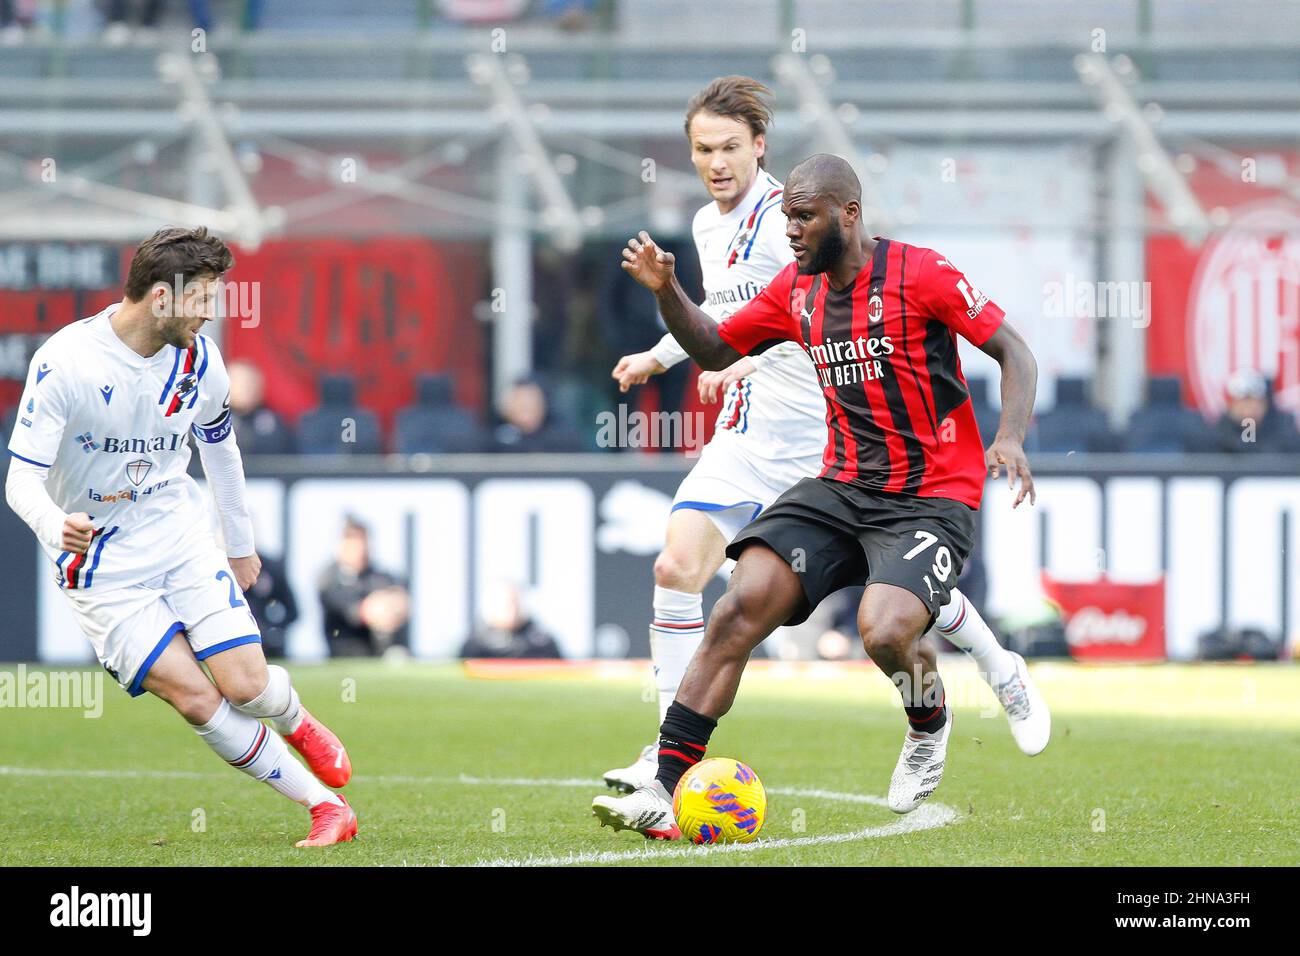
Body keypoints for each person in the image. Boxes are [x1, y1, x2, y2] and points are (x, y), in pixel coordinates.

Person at [601, 77, 1048, 798]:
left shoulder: (922, 273)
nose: (793, 235)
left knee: (883, 628)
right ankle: (664, 781)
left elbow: (1015, 352)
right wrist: (664, 293)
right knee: (738, 605)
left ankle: (930, 724)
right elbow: (716, 347)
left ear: (849, 214)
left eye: (805, 222)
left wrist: (1012, 437)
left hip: (931, 494)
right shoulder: (796, 289)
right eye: (787, 224)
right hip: (837, 482)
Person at [5, 227, 357, 847]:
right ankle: (326, 807)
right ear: (161, 298)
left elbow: (221, 453)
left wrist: (239, 543)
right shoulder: (66, 362)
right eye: (202, 299)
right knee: (197, 699)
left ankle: (297, 719)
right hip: (101, 567)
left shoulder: (199, 360)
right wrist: (51, 523)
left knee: (246, 685)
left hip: (179, 537)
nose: (211, 313)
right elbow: (21, 481)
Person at [317, 515, 411, 657]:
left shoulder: (382, 577)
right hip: (344, 655)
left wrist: (394, 608)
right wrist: (376, 609)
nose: (359, 548)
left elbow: (401, 602)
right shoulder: (328, 579)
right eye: (352, 541)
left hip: (382, 656)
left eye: (362, 540)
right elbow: (356, 612)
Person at [459, 581, 563, 659]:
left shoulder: (542, 641)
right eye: (506, 604)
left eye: (515, 602)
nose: (511, 609)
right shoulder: (477, 643)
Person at [1209, 369, 1300, 454]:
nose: (1252, 406)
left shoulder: (1282, 430)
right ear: (1231, 404)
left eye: (1258, 400)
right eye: (1246, 399)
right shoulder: (1216, 435)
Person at [489, 375, 585, 453]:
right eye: (518, 400)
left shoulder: (563, 439)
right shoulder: (493, 438)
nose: (524, 406)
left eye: (530, 400)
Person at [227, 359, 295, 455]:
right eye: (238, 382)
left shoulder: (273, 422)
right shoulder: (212, 421)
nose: (245, 387)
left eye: (250, 383)